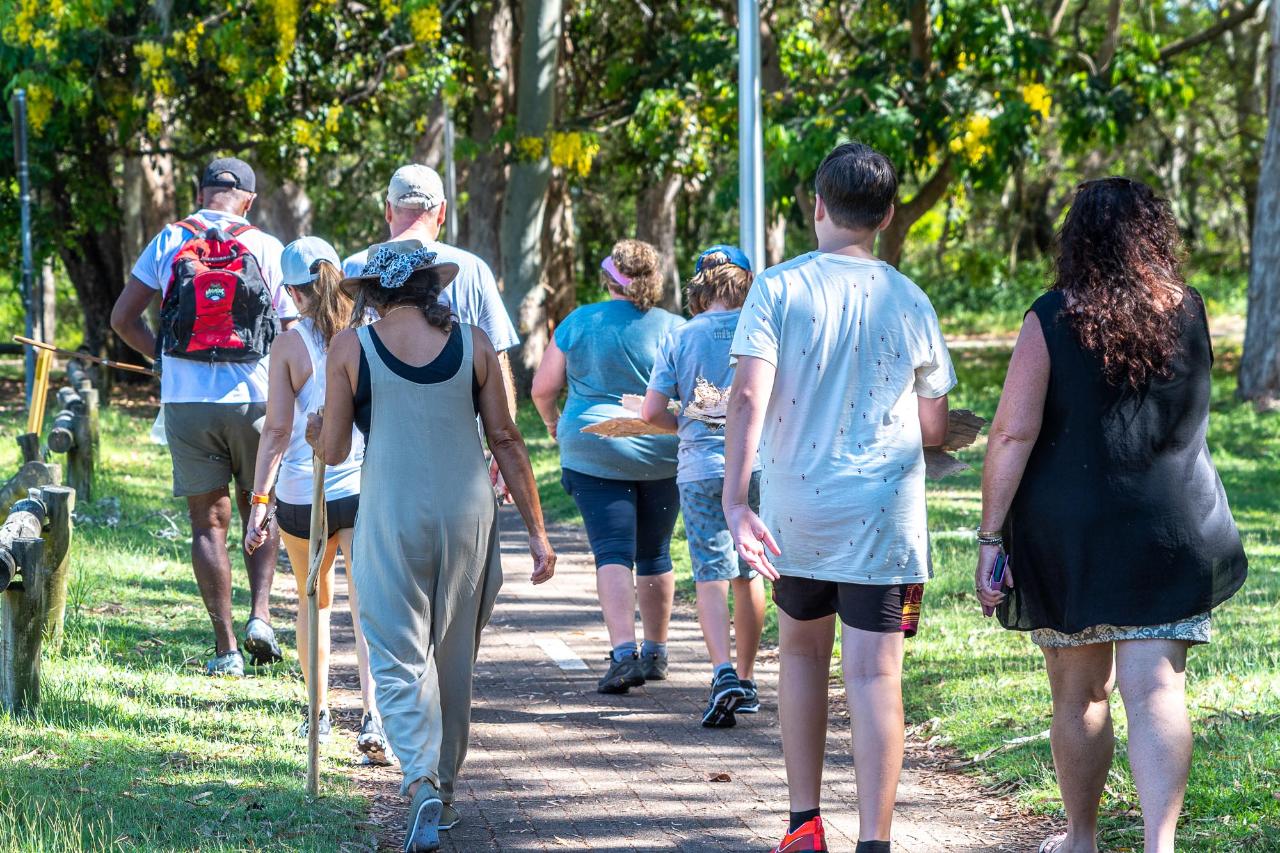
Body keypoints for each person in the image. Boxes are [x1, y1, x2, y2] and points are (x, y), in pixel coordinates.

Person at [975, 178, 1247, 853]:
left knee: (1081, 696)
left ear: (1078, 239)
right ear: (1154, 234)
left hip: (1072, 537)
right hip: (1172, 527)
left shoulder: (1050, 317)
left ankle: (1083, 837)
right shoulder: (1192, 310)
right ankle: (1160, 844)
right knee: (1157, 691)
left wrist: (989, 537)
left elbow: (1011, 433)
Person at [724, 143, 955, 853]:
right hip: (885, 518)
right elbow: (935, 426)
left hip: (799, 510)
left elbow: (746, 395)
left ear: (817, 206)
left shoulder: (778, 288)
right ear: (886, 216)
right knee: (876, 672)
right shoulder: (910, 297)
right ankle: (876, 841)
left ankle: (802, 823)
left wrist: (737, 499)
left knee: (799, 656)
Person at [313, 243, 555, 852]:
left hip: (393, 511)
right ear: (429, 286)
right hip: (468, 512)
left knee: (396, 652)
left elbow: (336, 450)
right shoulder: (472, 343)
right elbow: (504, 437)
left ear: (372, 291)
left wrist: (317, 432)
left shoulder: (350, 348)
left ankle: (419, 777)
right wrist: (538, 532)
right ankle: (443, 793)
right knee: (453, 656)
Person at [111, 157, 297, 677]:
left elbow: (122, 318)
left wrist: (161, 359)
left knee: (206, 524)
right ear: (249, 201)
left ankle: (226, 650)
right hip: (257, 399)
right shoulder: (267, 247)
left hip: (188, 403)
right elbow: (291, 330)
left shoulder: (170, 240)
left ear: (200, 193)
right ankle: (261, 616)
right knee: (260, 505)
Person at [243, 237, 389, 762]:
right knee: (368, 606)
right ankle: (375, 716)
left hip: (305, 491)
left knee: (315, 603)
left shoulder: (288, 345)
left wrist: (260, 499)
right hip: (364, 484)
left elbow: (278, 430)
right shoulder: (368, 337)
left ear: (296, 292)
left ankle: (319, 713)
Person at [531, 240, 685, 695]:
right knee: (656, 552)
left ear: (608, 278)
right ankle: (656, 652)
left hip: (594, 451)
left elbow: (542, 388)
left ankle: (623, 655)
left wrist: (553, 423)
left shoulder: (580, 322)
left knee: (613, 550)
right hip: (661, 451)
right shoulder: (674, 328)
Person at [640, 245, 766, 729]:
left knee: (710, 572)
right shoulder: (760, 331)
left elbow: (652, 412)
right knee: (749, 570)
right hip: (756, 465)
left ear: (700, 286)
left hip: (699, 469)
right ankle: (749, 677)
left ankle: (722, 672)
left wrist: (689, 425)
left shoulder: (680, 336)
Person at [343, 164, 519, 417]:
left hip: (375, 437)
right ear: (442, 212)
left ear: (388, 210)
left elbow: (338, 358)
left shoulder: (356, 269)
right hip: (460, 434)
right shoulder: (472, 268)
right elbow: (498, 359)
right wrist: (502, 438)